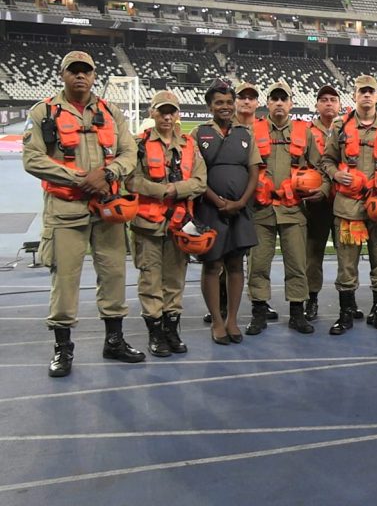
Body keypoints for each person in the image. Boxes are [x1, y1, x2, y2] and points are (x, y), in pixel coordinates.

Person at [23, 50, 143, 377]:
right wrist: (79, 179)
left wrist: (109, 174)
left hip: (107, 210)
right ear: (62, 75)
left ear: (93, 76)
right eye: (73, 71)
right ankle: (63, 349)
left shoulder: (111, 112)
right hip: (65, 211)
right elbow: (33, 159)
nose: (80, 76)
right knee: (64, 280)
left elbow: (128, 151)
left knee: (114, 274)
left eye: (85, 71)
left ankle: (114, 341)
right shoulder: (43, 112)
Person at [323, 75, 377, 335]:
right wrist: (336, 175)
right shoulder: (340, 127)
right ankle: (345, 314)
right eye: (362, 91)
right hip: (348, 207)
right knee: (346, 264)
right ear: (355, 95)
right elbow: (326, 160)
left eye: (371, 91)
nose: (367, 95)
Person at [126, 90, 207, 356]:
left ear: (178, 115)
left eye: (172, 111)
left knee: (175, 281)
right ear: (153, 113)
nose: (167, 116)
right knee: (150, 280)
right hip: (147, 225)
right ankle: (155, 334)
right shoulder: (138, 145)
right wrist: (163, 192)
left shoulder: (189, 146)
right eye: (162, 111)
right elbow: (131, 180)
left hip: (179, 225)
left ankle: (172, 330)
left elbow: (200, 181)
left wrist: (176, 190)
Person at [245, 81, 327, 335]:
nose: (279, 103)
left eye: (284, 99)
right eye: (274, 99)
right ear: (267, 103)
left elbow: (322, 168)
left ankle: (297, 313)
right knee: (258, 264)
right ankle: (259, 312)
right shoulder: (251, 131)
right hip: (261, 209)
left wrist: (321, 190)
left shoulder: (306, 132)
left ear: (291, 103)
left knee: (297, 264)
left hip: (293, 210)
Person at [191, 79, 259, 345]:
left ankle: (232, 320)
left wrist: (241, 202)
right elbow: (196, 173)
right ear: (210, 106)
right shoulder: (198, 133)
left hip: (240, 209)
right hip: (210, 209)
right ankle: (217, 322)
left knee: (235, 264)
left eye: (229, 102)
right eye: (219, 102)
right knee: (212, 264)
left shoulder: (245, 133)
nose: (226, 107)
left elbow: (254, 170)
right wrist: (219, 202)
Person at [302, 84, 343, 321]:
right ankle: (312, 299)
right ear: (316, 105)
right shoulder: (307, 131)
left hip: (343, 200)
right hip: (316, 202)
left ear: (339, 105)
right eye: (324, 99)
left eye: (333, 99)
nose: (328, 103)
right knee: (313, 253)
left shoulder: (348, 130)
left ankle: (347, 299)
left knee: (347, 254)